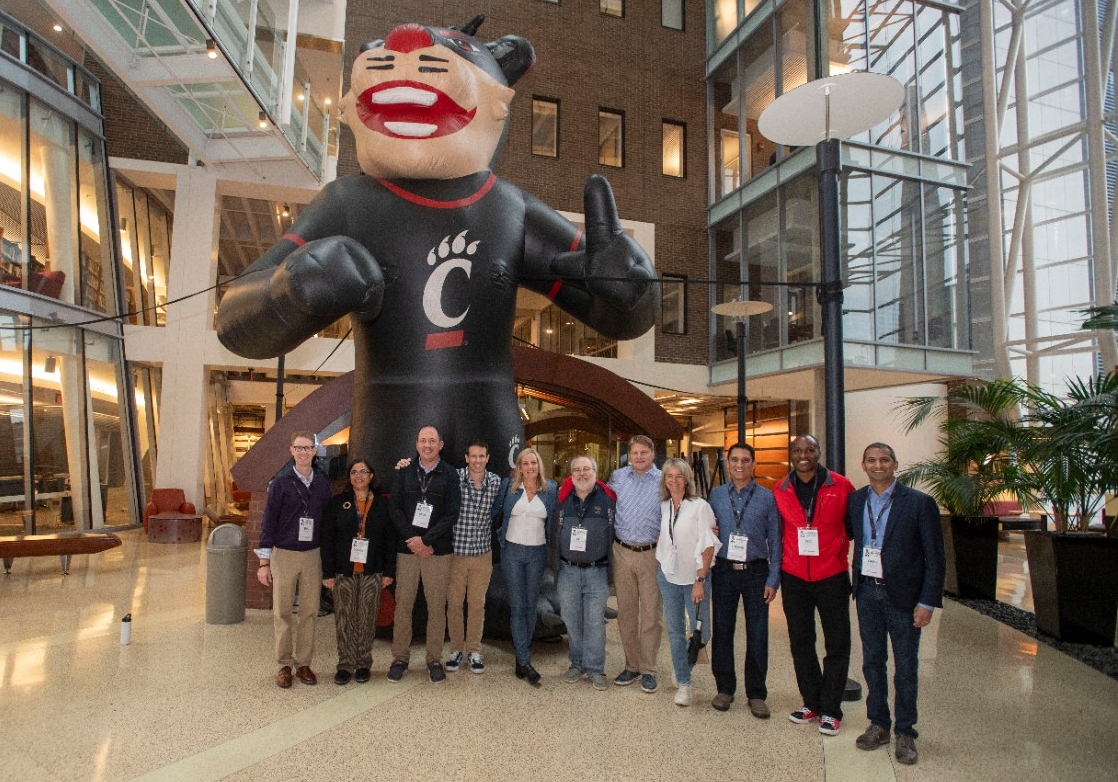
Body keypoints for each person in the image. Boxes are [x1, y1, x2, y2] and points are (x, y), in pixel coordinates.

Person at [847, 443, 945, 766]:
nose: (878, 465)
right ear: (863, 465)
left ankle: (905, 731)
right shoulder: (856, 500)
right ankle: (878, 723)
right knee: (872, 662)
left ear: (895, 464)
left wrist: (927, 601)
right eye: (872, 460)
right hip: (867, 594)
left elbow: (935, 558)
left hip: (903, 596)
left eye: (884, 460)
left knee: (905, 667)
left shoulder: (919, 503)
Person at [773, 434, 855, 735]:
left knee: (837, 643)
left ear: (819, 452)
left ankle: (831, 709)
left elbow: (854, 526)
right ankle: (812, 702)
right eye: (797, 450)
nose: (803, 455)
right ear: (791, 455)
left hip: (831, 576)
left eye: (809, 450)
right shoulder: (780, 490)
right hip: (794, 576)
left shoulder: (841, 486)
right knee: (801, 643)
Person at [707, 442, 782, 718]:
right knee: (723, 631)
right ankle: (724, 688)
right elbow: (706, 533)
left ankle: (756, 693)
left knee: (758, 633)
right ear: (728, 463)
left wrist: (774, 578)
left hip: (756, 572)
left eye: (745, 460)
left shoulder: (767, 497)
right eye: (734, 460)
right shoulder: (715, 495)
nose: (739, 465)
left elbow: (775, 539)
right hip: (724, 571)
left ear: (754, 464)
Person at [255, 430, 332, 689]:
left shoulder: (322, 484)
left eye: (307, 448)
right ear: (291, 451)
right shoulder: (281, 483)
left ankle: (304, 663)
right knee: (283, 611)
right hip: (284, 554)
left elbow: (327, 524)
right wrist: (264, 563)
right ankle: (284, 664)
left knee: (310, 611)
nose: (303, 453)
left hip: (313, 555)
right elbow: (268, 522)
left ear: (314, 451)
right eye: (298, 448)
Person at [386, 425, 461, 684]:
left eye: (432, 441)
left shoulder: (451, 475)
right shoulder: (403, 472)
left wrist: (427, 540)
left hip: (437, 552)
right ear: (416, 444)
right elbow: (394, 508)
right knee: (403, 606)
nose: (427, 445)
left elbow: (452, 514)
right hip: (407, 551)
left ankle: (433, 659)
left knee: (436, 608)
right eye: (422, 440)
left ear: (440, 444)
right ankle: (400, 658)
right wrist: (414, 540)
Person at [320, 459, 396, 685]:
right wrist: (328, 574)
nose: (359, 476)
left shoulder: (383, 504)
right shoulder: (337, 503)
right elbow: (327, 539)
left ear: (371, 476)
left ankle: (363, 663)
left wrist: (389, 571)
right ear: (349, 477)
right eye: (354, 472)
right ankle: (345, 664)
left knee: (366, 618)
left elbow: (391, 540)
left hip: (373, 571)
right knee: (344, 619)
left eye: (363, 471)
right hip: (343, 572)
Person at [655, 458, 719, 707]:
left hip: (695, 578)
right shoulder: (664, 506)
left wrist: (700, 579)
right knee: (674, 630)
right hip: (668, 576)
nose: (674, 480)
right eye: (669, 476)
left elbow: (708, 544)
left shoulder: (699, 506)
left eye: (679, 476)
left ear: (687, 479)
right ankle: (684, 682)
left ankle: (684, 664)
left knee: (702, 631)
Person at [497, 446, 558, 686]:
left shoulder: (550, 489)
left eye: (534, 463)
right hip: (512, 552)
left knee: (531, 605)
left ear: (539, 465)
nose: (530, 467)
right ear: (519, 467)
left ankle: (522, 656)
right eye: (525, 463)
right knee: (518, 605)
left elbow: (555, 519)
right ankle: (523, 659)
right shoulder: (509, 488)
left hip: (537, 554)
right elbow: (494, 513)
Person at [608, 435, 663, 693]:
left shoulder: (664, 479)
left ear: (652, 454)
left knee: (651, 614)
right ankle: (631, 665)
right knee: (627, 612)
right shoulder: (618, 478)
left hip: (652, 554)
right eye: (635, 452)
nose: (639, 457)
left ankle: (649, 669)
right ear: (628, 455)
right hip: (622, 552)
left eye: (644, 452)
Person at [556, 455, 616, 691]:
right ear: (571, 475)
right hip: (568, 570)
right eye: (577, 470)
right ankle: (577, 663)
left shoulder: (608, 500)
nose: (582, 473)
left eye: (586, 469)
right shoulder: (562, 500)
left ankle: (595, 668)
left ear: (595, 471)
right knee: (571, 619)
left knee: (594, 621)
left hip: (596, 571)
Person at [444, 439, 503, 675]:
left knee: (477, 604)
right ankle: (457, 649)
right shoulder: (453, 478)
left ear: (487, 458)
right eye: (473, 456)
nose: (477, 461)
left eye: (482, 456)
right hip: (456, 553)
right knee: (455, 604)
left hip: (482, 554)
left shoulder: (497, 482)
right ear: (466, 458)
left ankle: (474, 651)